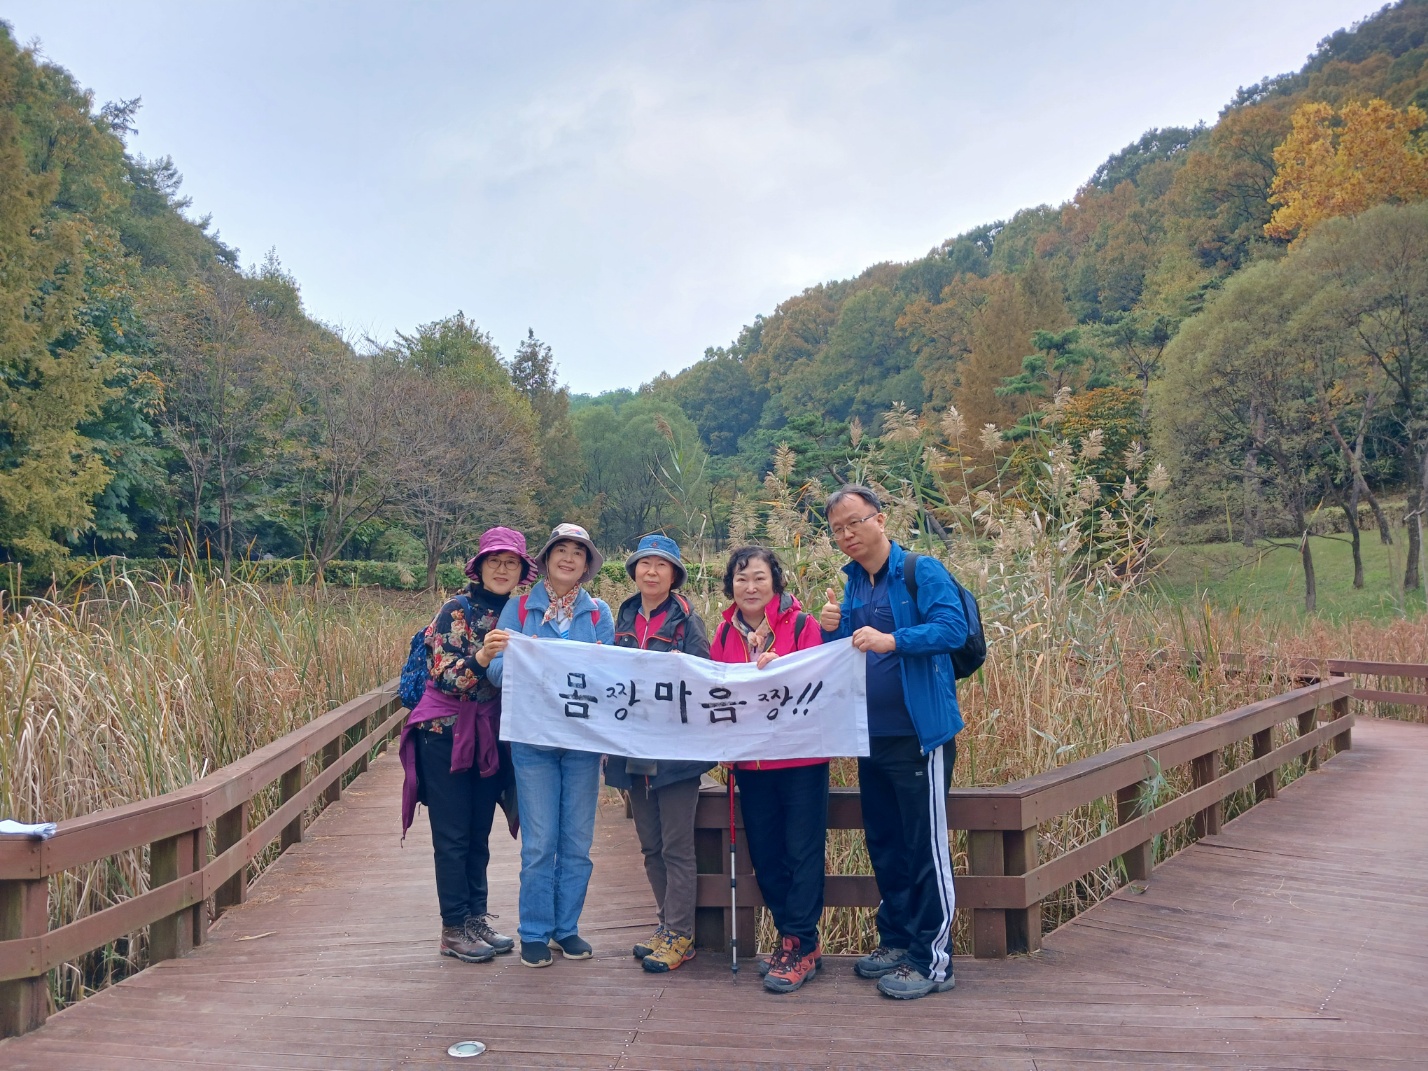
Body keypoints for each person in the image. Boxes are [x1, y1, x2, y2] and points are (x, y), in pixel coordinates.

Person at [818, 485, 968, 1000]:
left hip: (919, 736)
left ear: (880, 520)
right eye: (837, 529)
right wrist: (830, 630)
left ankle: (933, 961)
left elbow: (952, 628)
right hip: (870, 736)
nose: (847, 535)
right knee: (886, 844)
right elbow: (849, 652)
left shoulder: (920, 571)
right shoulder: (855, 583)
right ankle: (899, 941)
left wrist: (894, 639)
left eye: (854, 523)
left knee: (925, 848)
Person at [398, 526, 538, 963]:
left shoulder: (520, 612)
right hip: (445, 734)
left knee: (479, 833)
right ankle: (452, 927)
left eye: (511, 562)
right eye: (494, 561)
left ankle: (476, 919)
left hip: (489, 733)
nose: (502, 569)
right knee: (453, 835)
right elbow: (444, 676)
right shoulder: (455, 610)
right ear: (479, 567)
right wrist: (483, 657)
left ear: (522, 572)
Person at [486, 523, 615, 968]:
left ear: (587, 565)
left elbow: (609, 676)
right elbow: (495, 671)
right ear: (546, 559)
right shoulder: (520, 608)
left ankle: (566, 928)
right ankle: (535, 931)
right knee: (540, 843)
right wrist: (529, 660)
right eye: (561, 549)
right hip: (533, 740)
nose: (569, 558)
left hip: (581, 744)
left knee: (577, 842)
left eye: (578, 552)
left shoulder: (598, 614)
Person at [708, 545, 826, 994]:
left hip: (801, 759)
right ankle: (792, 940)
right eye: (741, 579)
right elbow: (714, 695)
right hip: (751, 763)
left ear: (775, 581)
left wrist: (785, 671)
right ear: (730, 586)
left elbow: (821, 681)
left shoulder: (802, 624)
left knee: (802, 850)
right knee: (766, 855)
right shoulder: (723, 633)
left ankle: (800, 942)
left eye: (759, 577)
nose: (750, 587)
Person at [602, 533, 712, 973]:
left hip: (676, 755)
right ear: (634, 572)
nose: (651, 571)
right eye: (644, 564)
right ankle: (666, 925)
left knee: (676, 847)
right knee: (650, 846)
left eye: (661, 565)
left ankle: (681, 935)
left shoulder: (687, 621)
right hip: (632, 750)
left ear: (674, 575)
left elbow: (702, 679)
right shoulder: (624, 616)